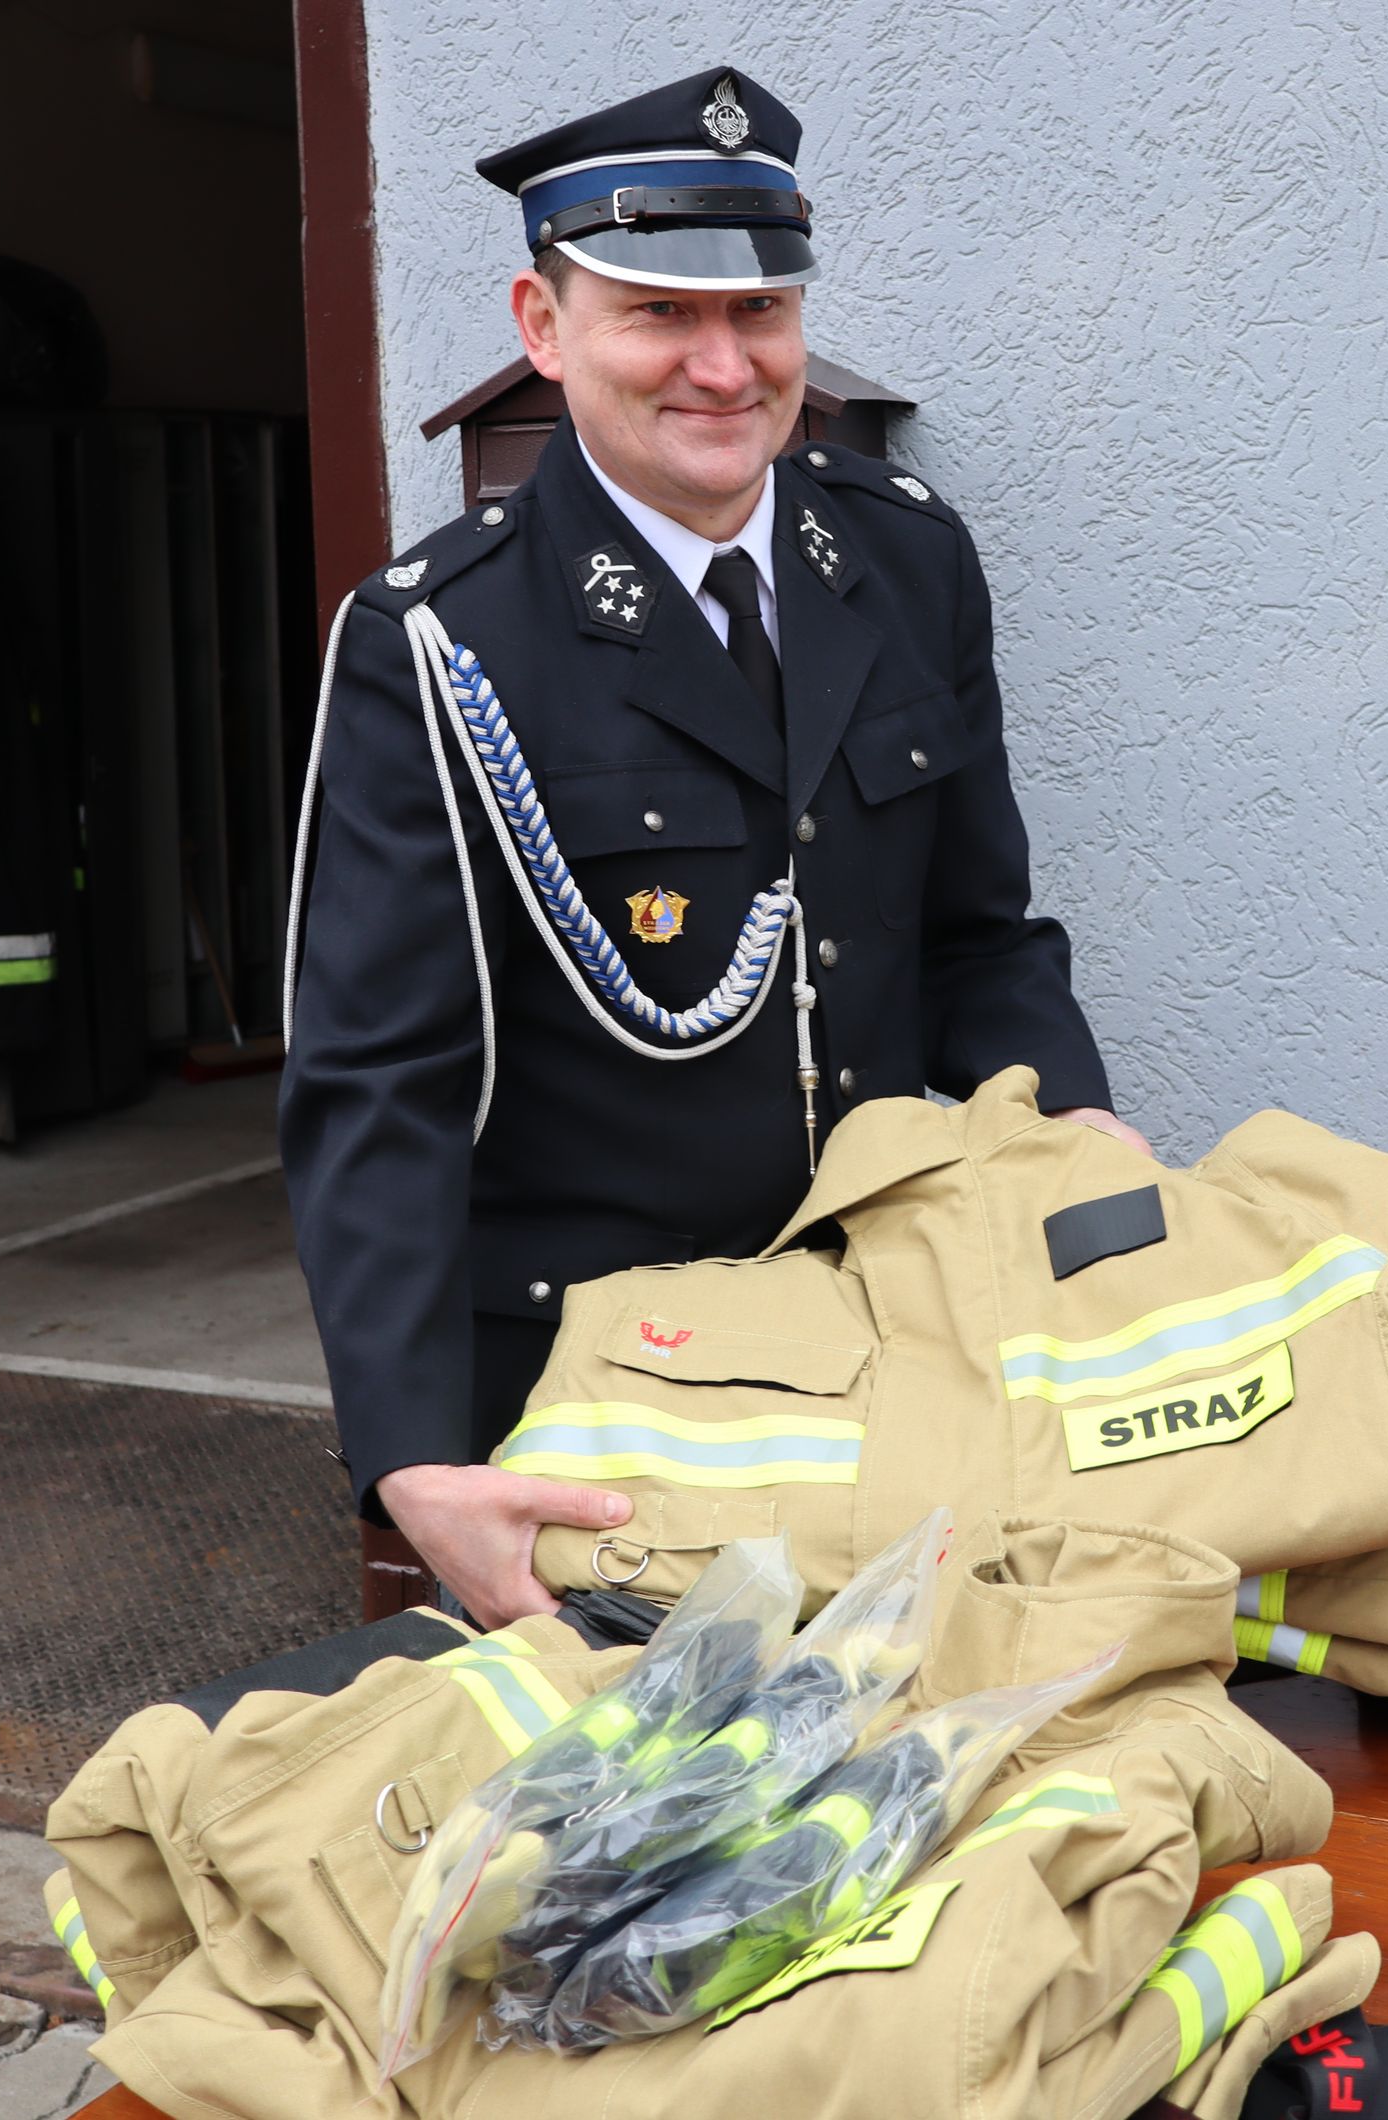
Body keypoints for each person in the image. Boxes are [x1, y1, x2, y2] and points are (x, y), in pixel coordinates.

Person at [279, 68, 1142, 1624]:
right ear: (544, 327)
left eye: (761, 313)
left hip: (884, 1339)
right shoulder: (440, 641)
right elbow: (378, 1082)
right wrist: (411, 1459)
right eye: (660, 315)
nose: (726, 367)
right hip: (604, 1394)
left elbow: (977, 935)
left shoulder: (904, 557)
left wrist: (1076, 1122)